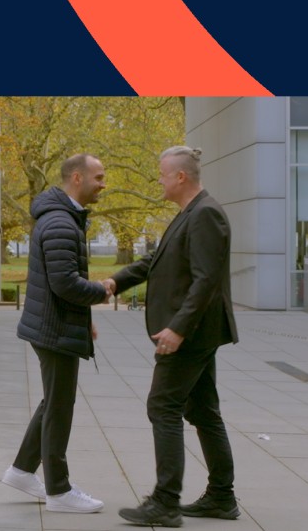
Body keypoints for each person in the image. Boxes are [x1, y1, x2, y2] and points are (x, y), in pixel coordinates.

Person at [102, 146, 240, 527]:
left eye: (162, 174)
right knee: (203, 411)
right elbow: (157, 260)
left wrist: (178, 328)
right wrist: (116, 281)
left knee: (162, 407)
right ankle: (221, 497)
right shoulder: (189, 214)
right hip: (197, 332)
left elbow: (206, 280)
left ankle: (165, 501)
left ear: (180, 176)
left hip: (192, 334)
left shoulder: (205, 214)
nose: (159, 180)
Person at [1, 153, 111, 514]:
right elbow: (64, 283)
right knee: (60, 406)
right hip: (53, 327)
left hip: (54, 323)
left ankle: (20, 471)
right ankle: (59, 492)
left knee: (53, 400)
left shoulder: (61, 218)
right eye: (98, 177)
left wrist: (84, 317)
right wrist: (103, 289)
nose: (103, 184)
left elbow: (57, 282)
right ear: (76, 178)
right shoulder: (62, 223)